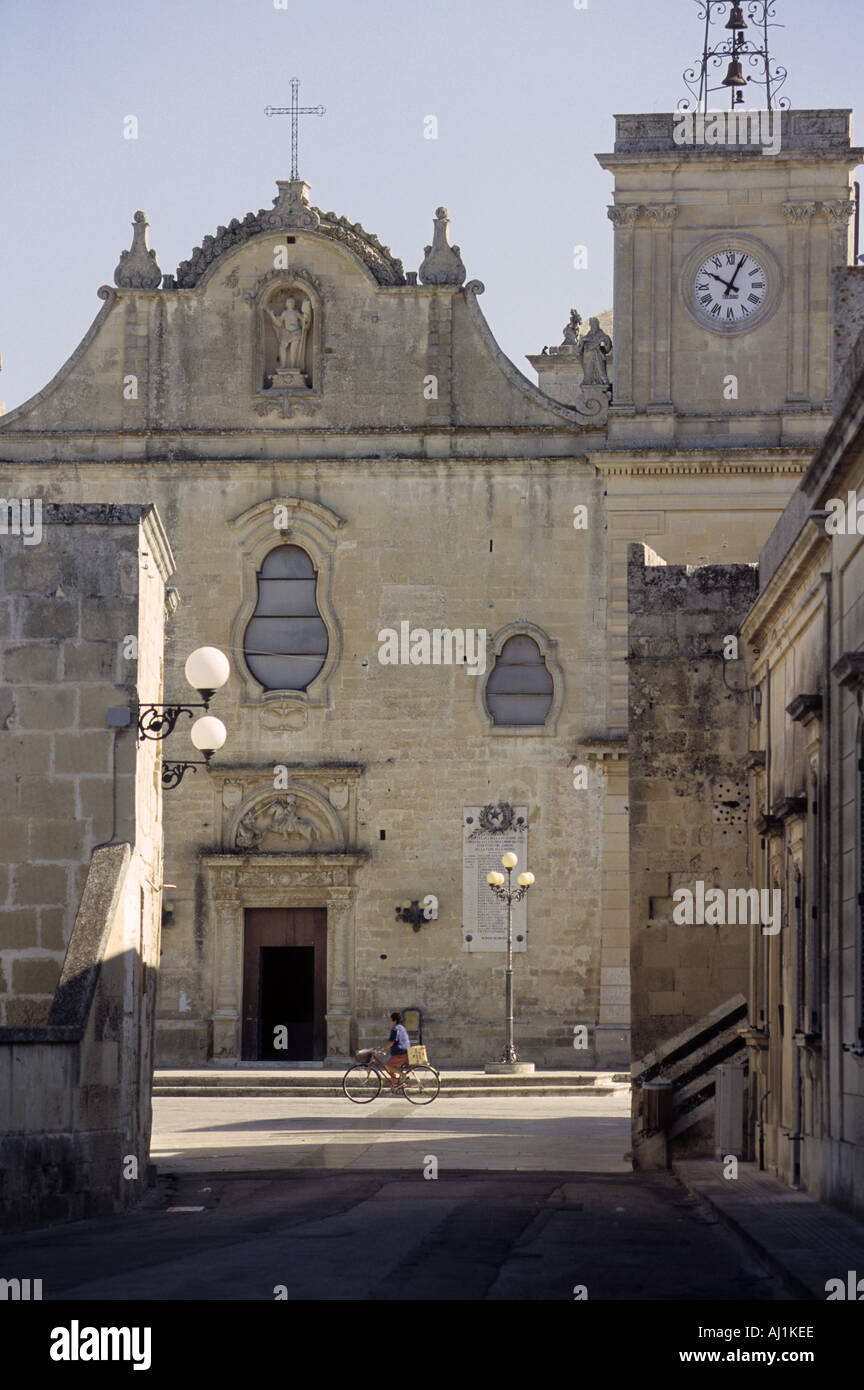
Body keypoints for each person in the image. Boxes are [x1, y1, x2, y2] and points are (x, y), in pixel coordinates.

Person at [378, 1010, 410, 1090]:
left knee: (388, 1066)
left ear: (394, 1020)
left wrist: (382, 1049)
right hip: (405, 1052)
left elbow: (391, 1043)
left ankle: (403, 1075)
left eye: (391, 1020)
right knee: (391, 1067)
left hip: (401, 1054)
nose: (390, 1022)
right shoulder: (402, 1028)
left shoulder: (395, 1029)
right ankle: (396, 1084)